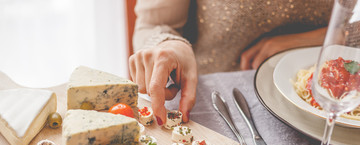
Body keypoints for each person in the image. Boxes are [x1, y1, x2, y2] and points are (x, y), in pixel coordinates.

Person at [129, 0, 334, 125]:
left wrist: (322, 39)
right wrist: (171, 45)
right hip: (213, 97)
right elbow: (154, 23)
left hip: (325, 100)